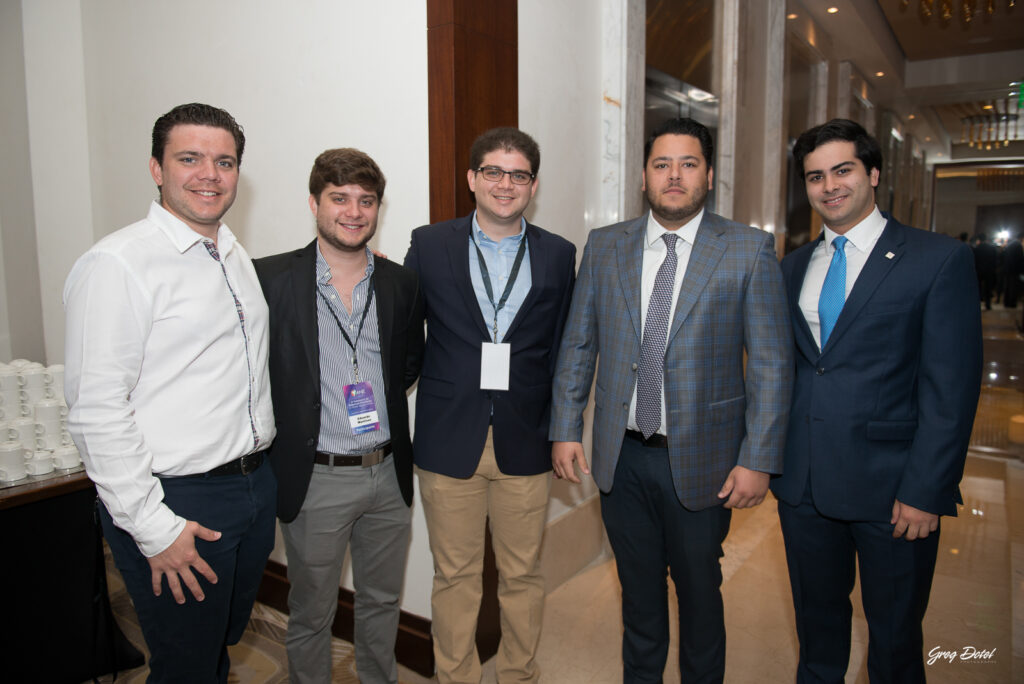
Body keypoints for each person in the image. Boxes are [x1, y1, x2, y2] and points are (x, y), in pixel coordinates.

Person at [549, 117, 793, 683]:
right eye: (662, 165)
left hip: (705, 460)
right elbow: (579, 343)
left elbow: (774, 365)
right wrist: (565, 427)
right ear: (644, 177)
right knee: (637, 593)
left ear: (708, 174)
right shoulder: (606, 246)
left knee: (700, 595)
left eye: (687, 164)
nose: (674, 176)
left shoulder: (748, 250)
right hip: (622, 456)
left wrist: (758, 458)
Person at [64, 103, 276, 682]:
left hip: (252, 486)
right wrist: (154, 528)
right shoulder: (118, 264)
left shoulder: (232, 256)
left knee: (217, 646)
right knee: (185, 666)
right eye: (190, 158)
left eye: (224, 161)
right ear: (157, 168)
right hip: (178, 501)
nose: (209, 173)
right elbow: (96, 412)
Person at [770, 118, 983, 683]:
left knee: (893, 640)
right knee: (816, 632)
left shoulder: (936, 260)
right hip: (805, 486)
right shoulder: (791, 267)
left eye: (842, 170)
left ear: (873, 174)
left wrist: (925, 490)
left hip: (894, 493)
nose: (829, 186)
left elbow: (951, 390)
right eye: (815, 176)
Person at [403, 127, 576, 683]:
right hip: (447, 437)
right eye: (494, 172)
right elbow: (405, 332)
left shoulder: (558, 254)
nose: (506, 184)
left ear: (533, 185)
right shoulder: (429, 244)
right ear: (473, 178)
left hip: (526, 439)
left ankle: (519, 675)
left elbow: (564, 349)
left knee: (522, 574)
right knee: (454, 577)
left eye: (519, 174)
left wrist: (563, 429)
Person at [254, 148, 424, 684]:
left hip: (387, 475)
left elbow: (407, 365)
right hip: (316, 478)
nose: (354, 211)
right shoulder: (272, 279)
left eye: (366, 201)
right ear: (314, 203)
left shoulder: (400, 283)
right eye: (340, 198)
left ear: (378, 208)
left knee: (381, 603)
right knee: (311, 612)